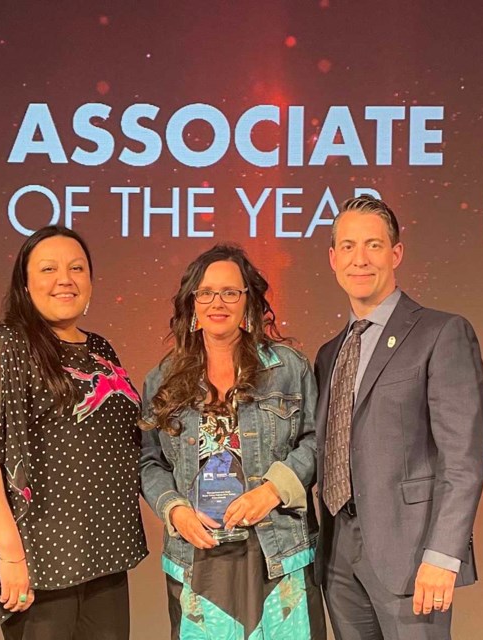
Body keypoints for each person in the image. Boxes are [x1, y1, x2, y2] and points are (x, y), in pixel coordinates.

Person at [0, 225, 148, 638]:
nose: (65, 279)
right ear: (25, 285)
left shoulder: (101, 348)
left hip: (106, 560)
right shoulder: (5, 346)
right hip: (41, 565)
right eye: (48, 268)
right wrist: (12, 558)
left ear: (90, 282)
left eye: (77, 268)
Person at [314, 195, 483, 639]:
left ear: (396, 253)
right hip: (337, 553)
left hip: (411, 555)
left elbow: (462, 460)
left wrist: (443, 555)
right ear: (333, 259)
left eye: (373, 245)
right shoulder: (329, 353)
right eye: (348, 247)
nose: (360, 259)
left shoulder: (440, 333)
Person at [140, 244, 326, 640]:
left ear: (249, 302)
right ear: (192, 303)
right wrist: (175, 511)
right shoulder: (162, 380)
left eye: (230, 292)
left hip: (278, 551)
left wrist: (275, 489)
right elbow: (149, 462)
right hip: (199, 554)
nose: (217, 302)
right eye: (205, 293)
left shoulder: (288, 368)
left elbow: (316, 441)